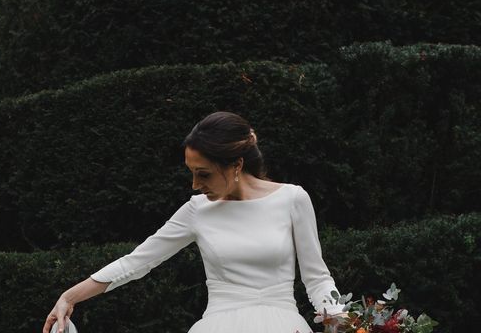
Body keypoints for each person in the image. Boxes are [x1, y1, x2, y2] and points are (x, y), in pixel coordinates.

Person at [42, 111, 346, 333]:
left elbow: (317, 278)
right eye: (191, 172)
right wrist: (69, 297)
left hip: (282, 324)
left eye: (204, 174)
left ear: (236, 165)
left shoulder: (292, 199)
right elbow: (137, 262)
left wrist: (344, 324)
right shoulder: (196, 210)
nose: (194, 184)